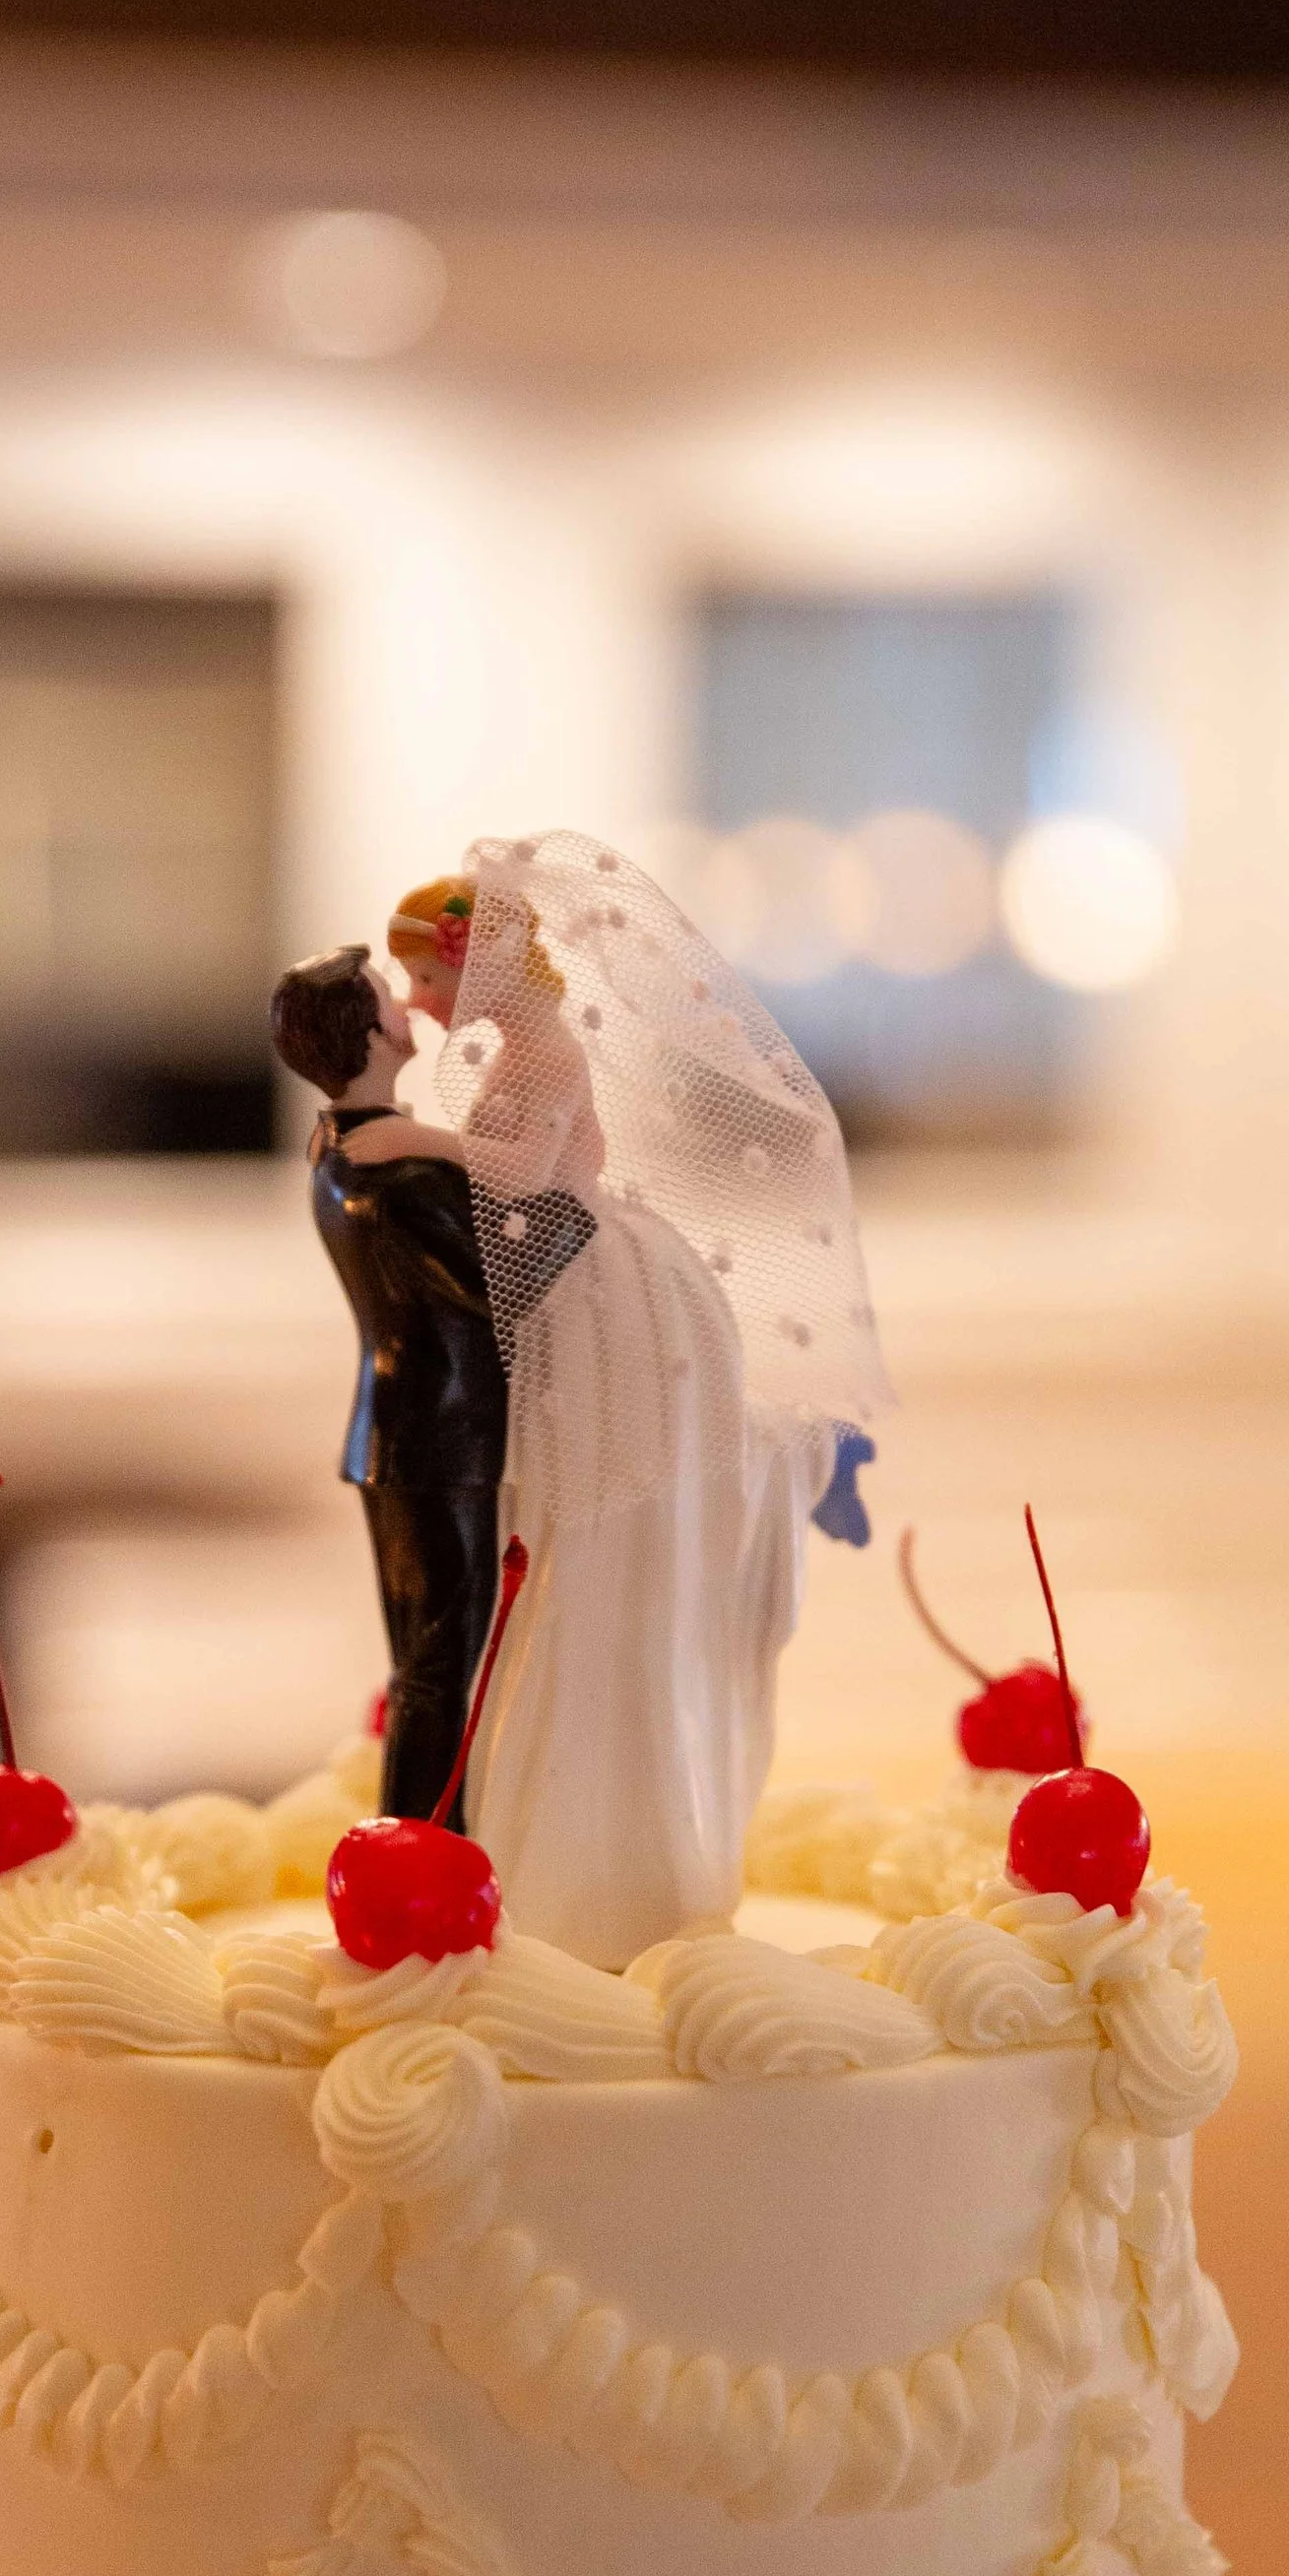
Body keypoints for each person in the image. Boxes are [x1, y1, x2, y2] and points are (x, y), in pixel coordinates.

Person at [341, 836, 890, 1969]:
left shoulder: (538, 1055)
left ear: (470, 973)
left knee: (592, 1537)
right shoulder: (523, 1046)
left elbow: (519, 1178)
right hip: (572, 1289)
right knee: (559, 1540)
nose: (413, 1001)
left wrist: (403, 1138)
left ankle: (600, 1868)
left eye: (424, 979)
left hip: (600, 1303)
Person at [270, 942, 508, 1831]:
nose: (409, 1005)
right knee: (445, 1660)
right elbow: (512, 1279)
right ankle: (423, 1842)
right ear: (369, 1033)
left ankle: (423, 1840)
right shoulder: (398, 1174)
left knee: (434, 1658)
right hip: (439, 1439)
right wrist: (571, 1188)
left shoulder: (338, 1148)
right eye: (389, 996)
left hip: (406, 1433)